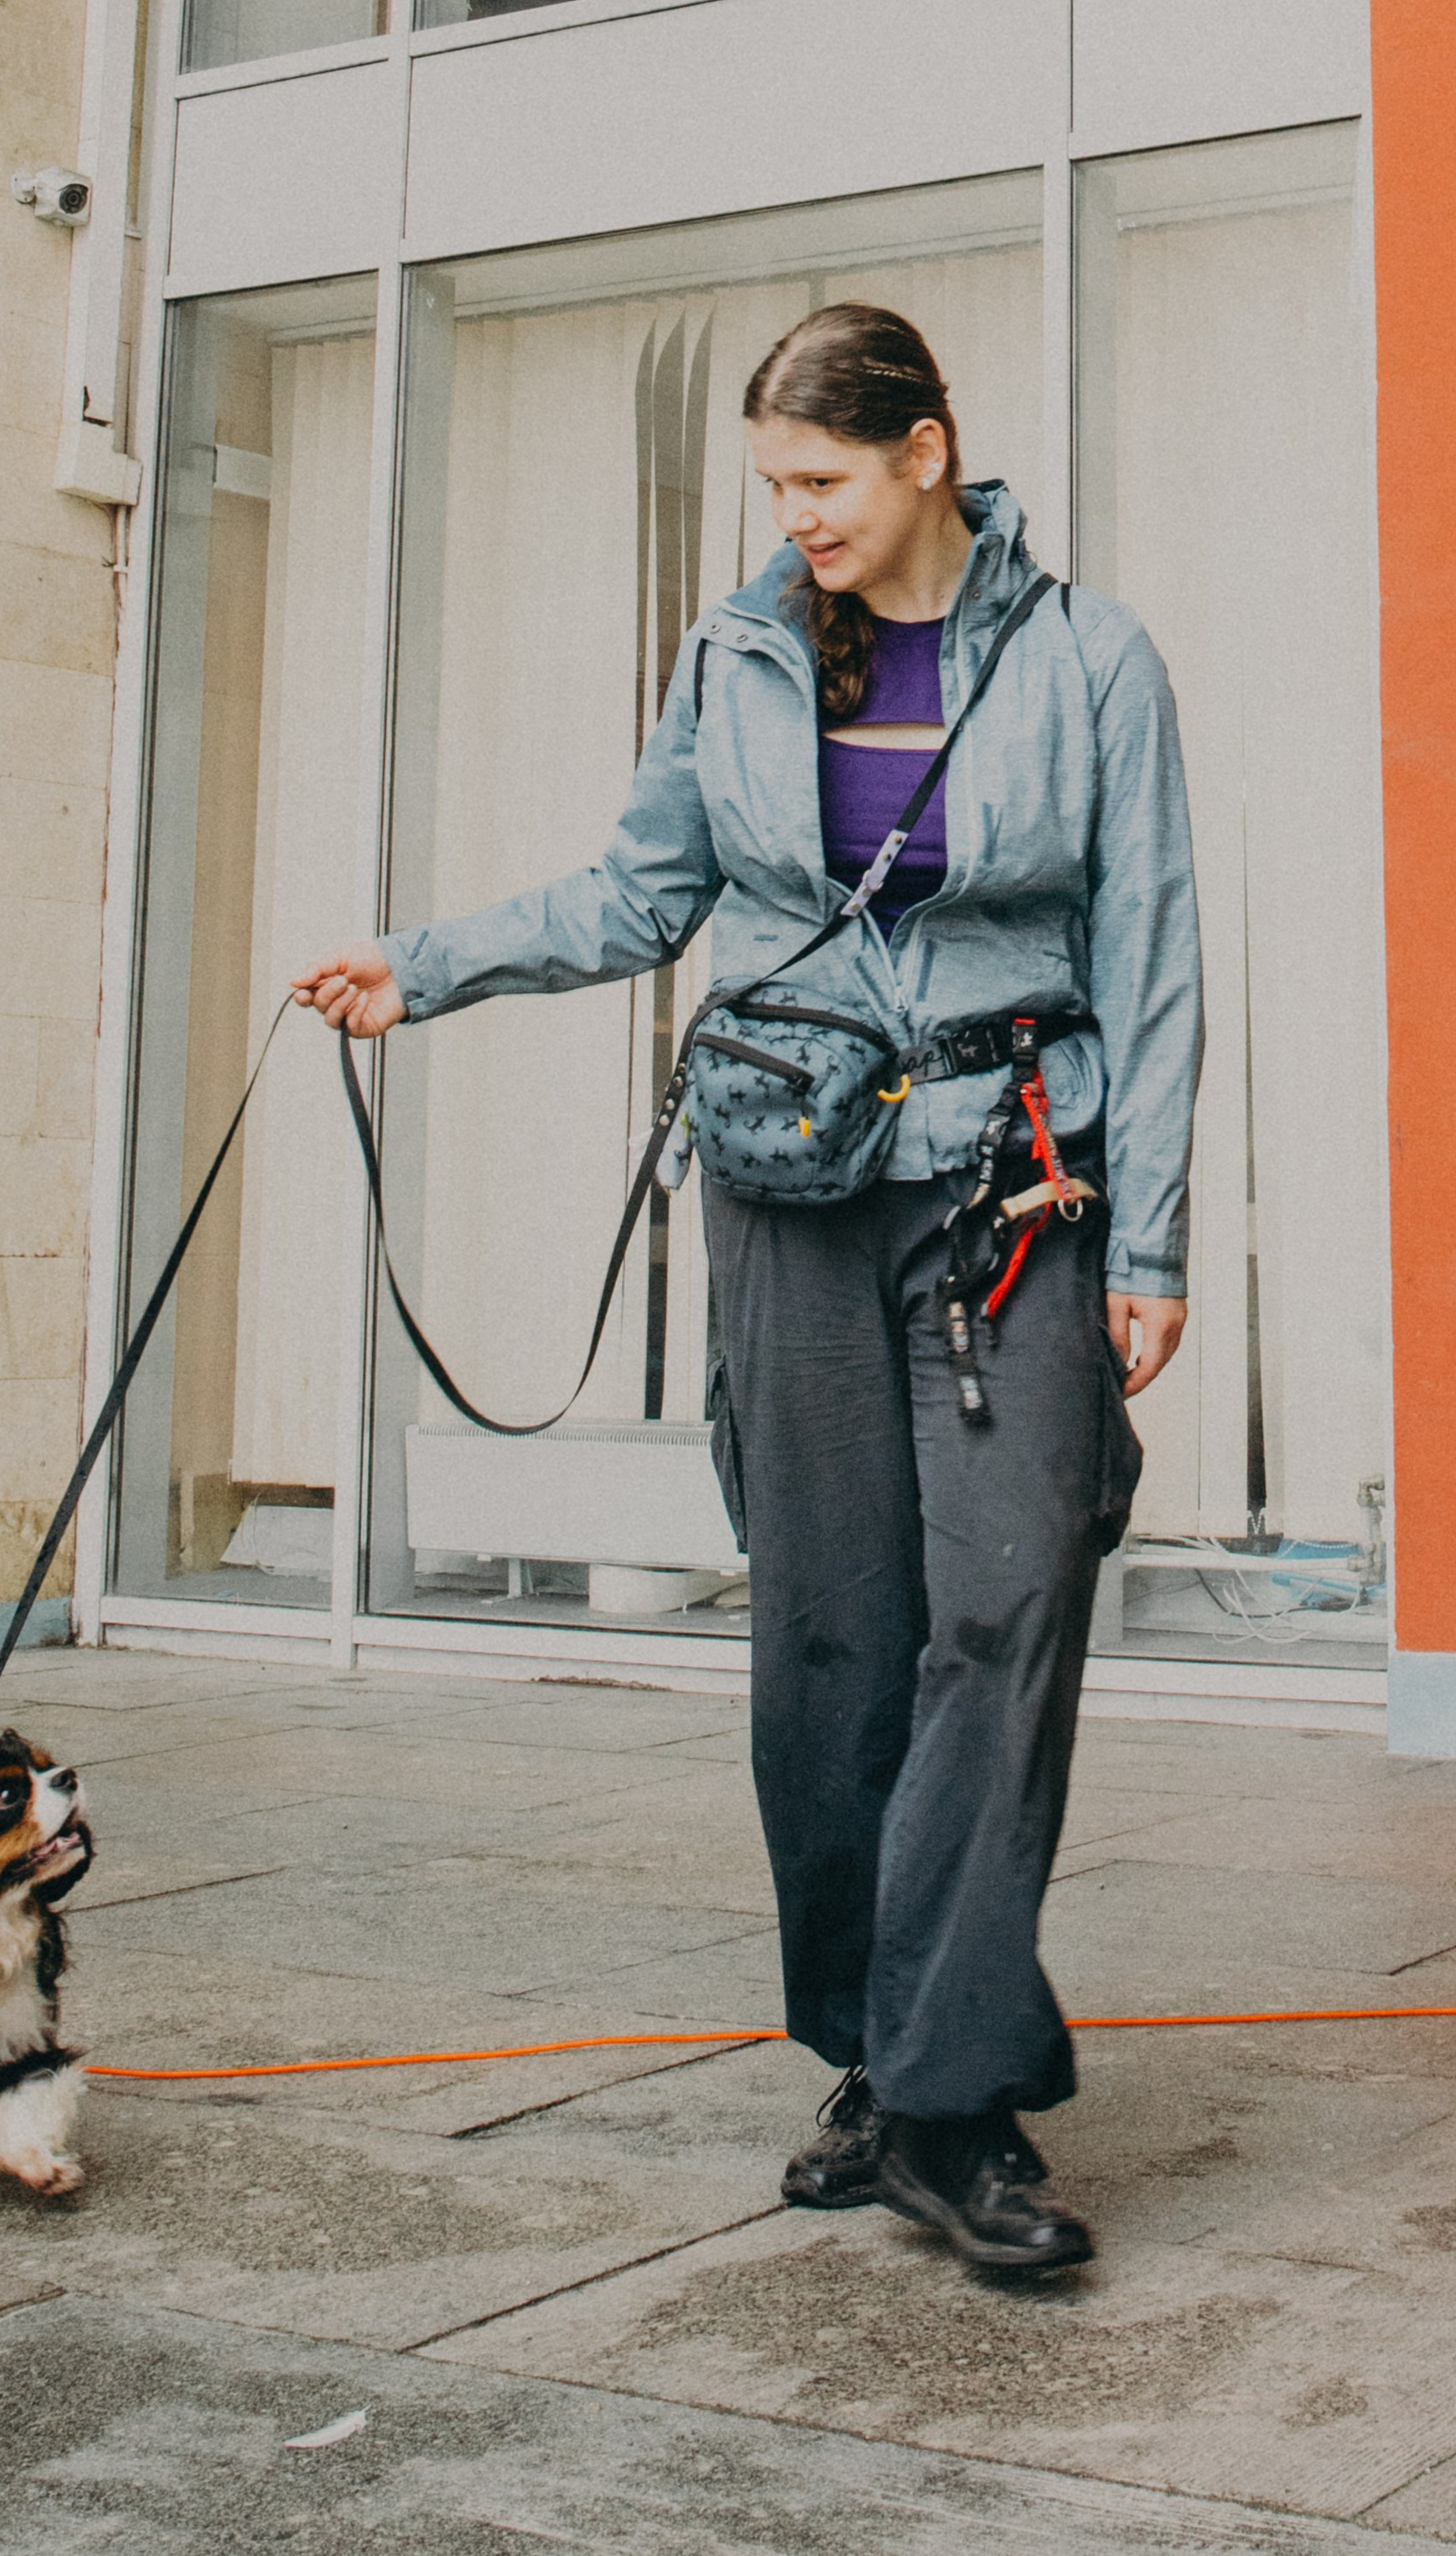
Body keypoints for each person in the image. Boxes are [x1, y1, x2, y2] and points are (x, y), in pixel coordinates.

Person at [294, 303, 1201, 2274]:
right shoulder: (740, 653)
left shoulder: (1084, 658)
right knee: (827, 1639)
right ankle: (882, 2056)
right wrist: (418, 965)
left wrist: (1149, 1243)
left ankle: (952, 2106)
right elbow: (639, 893)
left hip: (1008, 1191)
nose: (788, 517)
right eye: (770, 485)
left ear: (923, 454)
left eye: (818, 480)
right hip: (789, 1193)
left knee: (1008, 1600)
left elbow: (1150, 951)